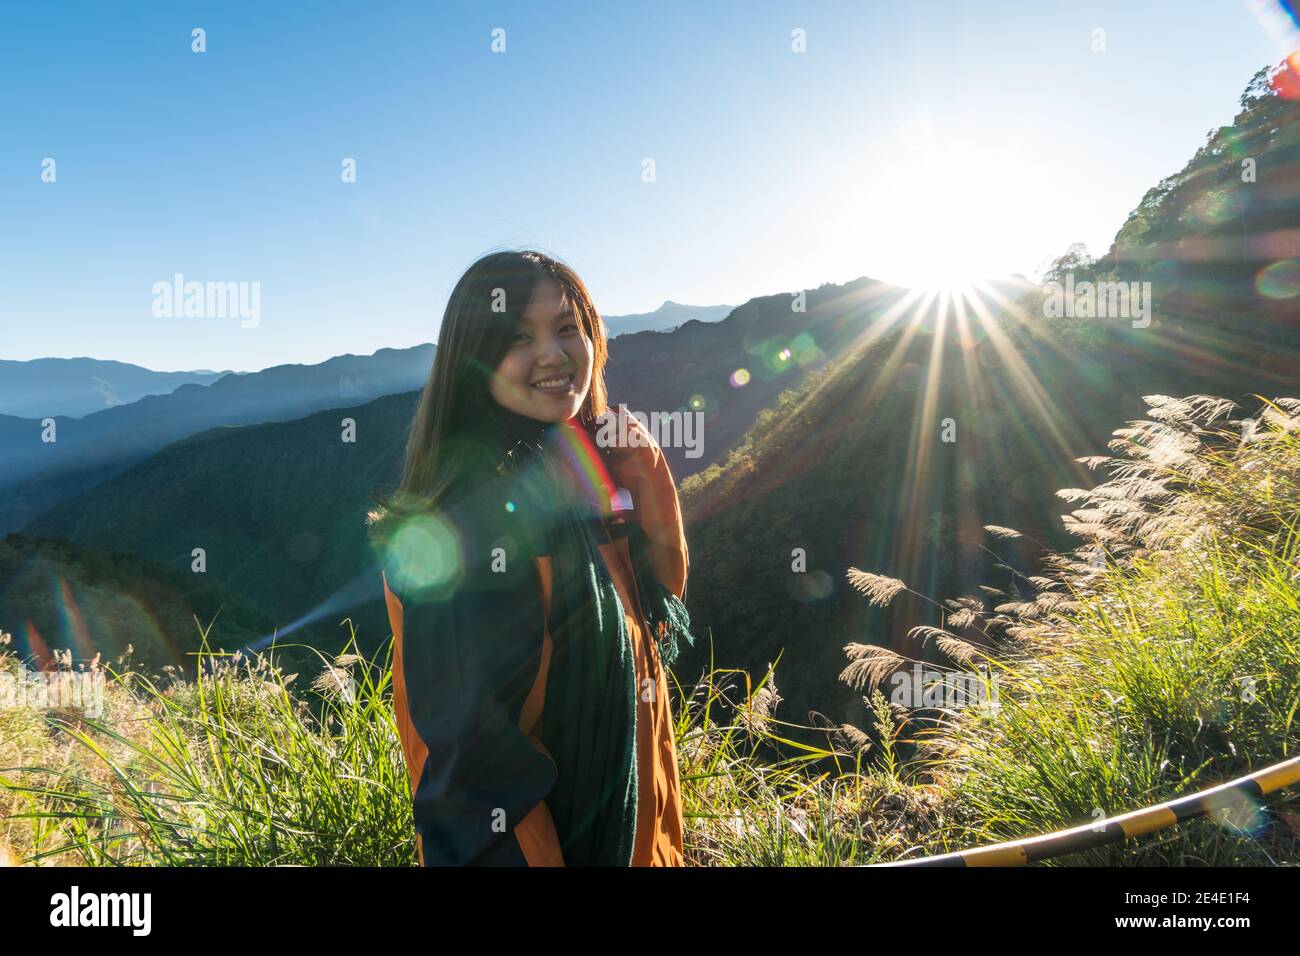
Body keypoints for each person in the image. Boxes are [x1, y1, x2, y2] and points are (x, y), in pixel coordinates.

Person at [367, 249, 696, 866]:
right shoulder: (468, 532)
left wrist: (646, 475)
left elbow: (657, 605)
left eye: (569, 328)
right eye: (519, 336)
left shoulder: (583, 480)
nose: (553, 353)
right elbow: (478, 788)